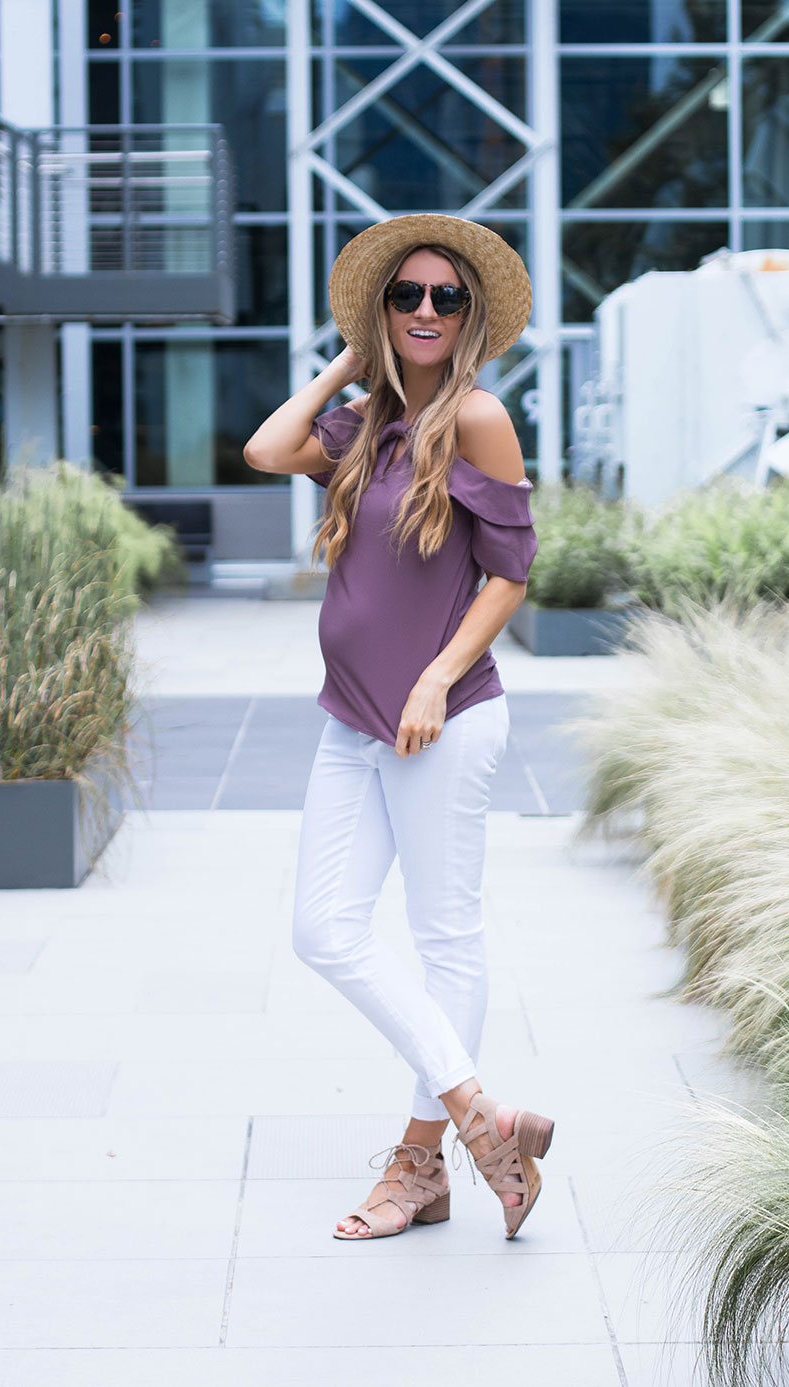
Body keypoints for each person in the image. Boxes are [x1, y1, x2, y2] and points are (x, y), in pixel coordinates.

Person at [243, 213, 554, 1242]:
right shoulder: (364, 423)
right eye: (405, 295)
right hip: (352, 720)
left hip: (444, 718)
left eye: (445, 298)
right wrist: (351, 360)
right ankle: (480, 1115)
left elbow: (511, 574)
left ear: (469, 318)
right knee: (321, 926)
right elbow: (264, 445)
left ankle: (421, 1164)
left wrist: (436, 677)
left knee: (443, 935)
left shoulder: (478, 416)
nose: (425, 310)